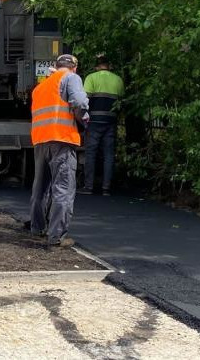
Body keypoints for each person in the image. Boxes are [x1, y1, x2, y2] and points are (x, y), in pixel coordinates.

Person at [28, 54, 88, 248]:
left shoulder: (40, 87)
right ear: (74, 68)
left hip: (40, 140)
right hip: (62, 139)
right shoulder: (71, 78)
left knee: (40, 188)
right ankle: (56, 237)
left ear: (55, 66)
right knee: (63, 189)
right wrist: (84, 120)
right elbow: (79, 102)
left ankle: (37, 228)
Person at [81, 55, 126, 195]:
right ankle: (106, 188)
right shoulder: (118, 80)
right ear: (109, 66)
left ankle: (88, 186)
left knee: (91, 153)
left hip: (94, 121)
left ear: (96, 66)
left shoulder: (91, 78)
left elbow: (84, 100)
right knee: (109, 154)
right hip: (111, 121)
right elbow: (121, 102)